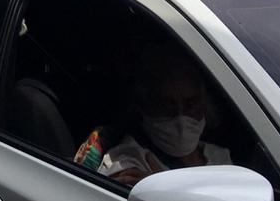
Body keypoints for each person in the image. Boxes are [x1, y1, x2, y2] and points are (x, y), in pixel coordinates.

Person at [75, 49, 231, 187]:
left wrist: (168, 192)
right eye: (167, 105)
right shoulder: (128, 161)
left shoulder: (219, 157)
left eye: (190, 103)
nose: (180, 117)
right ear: (144, 108)